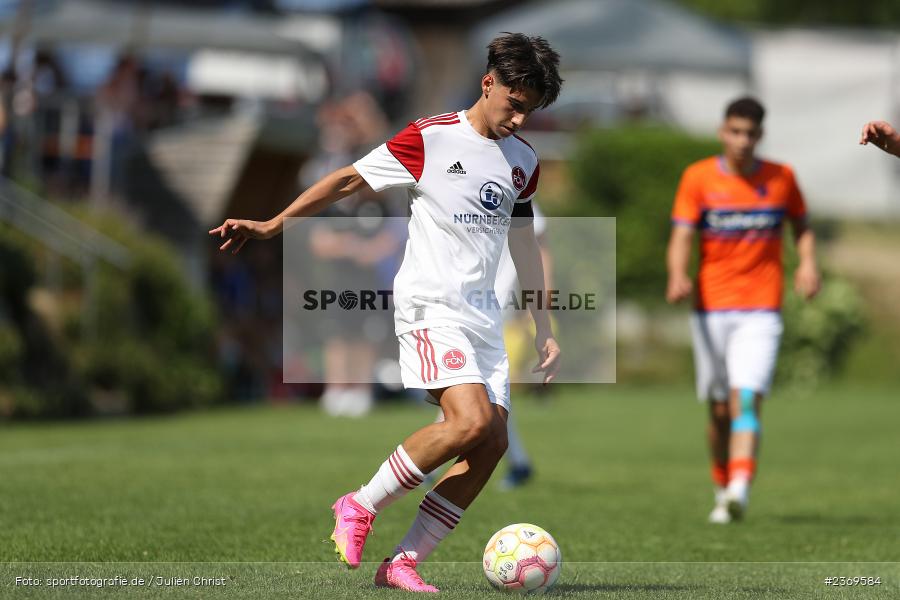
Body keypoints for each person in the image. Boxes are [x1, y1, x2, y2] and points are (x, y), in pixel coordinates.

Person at [210, 33, 562, 592]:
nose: (519, 119)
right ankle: (358, 504)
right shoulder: (431, 138)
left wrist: (543, 324)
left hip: (483, 320)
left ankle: (402, 563)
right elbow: (349, 177)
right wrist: (275, 223)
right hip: (430, 306)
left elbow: (522, 242)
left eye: (530, 109)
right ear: (488, 82)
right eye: (514, 104)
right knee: (468, 422)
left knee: (491, 442)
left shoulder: (524, 163)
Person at [666, 96, 820, 524]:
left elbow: (802, 226)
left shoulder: (782, 177)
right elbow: (681, 234)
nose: (742, 141)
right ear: (722, 132)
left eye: (750, 134)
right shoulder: (698, 178)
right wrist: (678, 273)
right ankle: (722, 485)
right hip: (711, 309)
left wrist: (807, 263)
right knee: (718, 409)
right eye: (735, 131)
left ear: (760, 136)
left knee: (745, 400)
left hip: (761, 310)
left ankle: (739, 489)